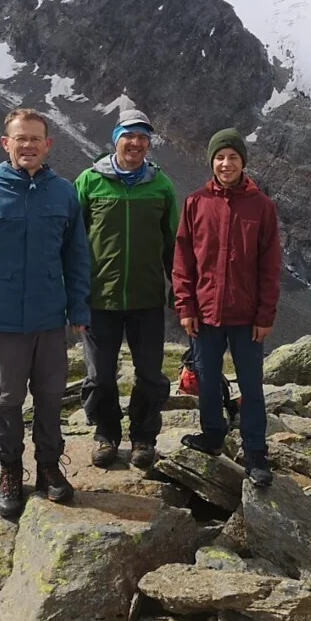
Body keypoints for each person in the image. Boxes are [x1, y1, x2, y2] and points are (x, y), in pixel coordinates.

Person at [0, 108, 90, 520]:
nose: (28, 145)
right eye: (20, 138)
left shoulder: (63, 193)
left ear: (48, 145)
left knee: (49, 396)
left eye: (35, 139)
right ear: (5, 143)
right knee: (6, 399)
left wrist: (79, 307)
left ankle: (48, 467)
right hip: (3, 319)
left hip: (49, 318)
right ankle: (10, 468)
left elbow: (76, 256)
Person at [172, 127, 281, 487]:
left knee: (251, 385)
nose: (226, 163)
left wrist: (265, 315)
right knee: (206, 378)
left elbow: (270, 266)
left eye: (233, 157)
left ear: (242, 162)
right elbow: (183, 260)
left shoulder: (261, 206)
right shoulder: (196, 203)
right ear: (212, 162)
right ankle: (212, 435)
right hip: (204, 314)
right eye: (220, 157)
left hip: (247, 316)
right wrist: (186, 306)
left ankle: (255, 452)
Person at [74, 109, 179, 471]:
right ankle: (106, 434)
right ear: (115, 139)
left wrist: (176, 289)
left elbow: (173, 245)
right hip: (98, 300)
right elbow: (71, 242)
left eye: (142, 137)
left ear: (148, 144)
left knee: (149, 373)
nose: (135, 143)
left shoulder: (161, 186)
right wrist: (74, 295)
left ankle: (144, 439)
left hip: (146, 299)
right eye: (128, 135)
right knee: (99, 375)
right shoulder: (89, 182)